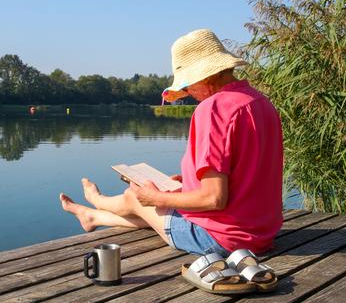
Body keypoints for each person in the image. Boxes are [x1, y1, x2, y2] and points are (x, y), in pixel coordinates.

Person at [60, 29, 283, 256]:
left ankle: (97, 201)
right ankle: (93, 216)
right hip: (262, 235)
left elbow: (213, 198)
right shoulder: (261, 102)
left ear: (205, 76)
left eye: (186, 85)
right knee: (152, 204)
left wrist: (156, 197)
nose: (187, 92)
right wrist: (190, 181)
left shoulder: (213, 109)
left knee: (135, 197)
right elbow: (249, 172)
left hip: (222, 240)